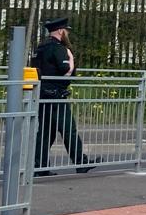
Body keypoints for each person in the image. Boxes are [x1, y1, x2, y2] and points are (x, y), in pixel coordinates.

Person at [33, 17, 99, 176]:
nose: (67, 34)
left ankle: (40, 167)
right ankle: (81, 163)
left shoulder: (40, 47)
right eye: (66, 31)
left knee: (45, 133)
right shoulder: (58, 48)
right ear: (61, 31)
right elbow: (65, 69)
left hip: (42, 95)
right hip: (56, 97)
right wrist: (71, 62)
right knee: (69, 130)